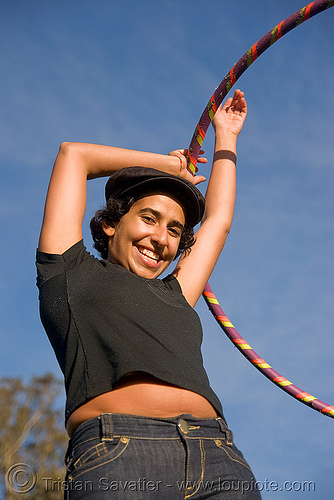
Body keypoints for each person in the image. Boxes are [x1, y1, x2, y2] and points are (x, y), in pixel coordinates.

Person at [36, 89, 261, 499]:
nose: (160, 238)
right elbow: (73, 155)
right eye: (148, 218)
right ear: (111, 224)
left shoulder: (177, 293)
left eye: (175, 230)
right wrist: (172, 167)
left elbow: (219, 221)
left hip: (218, 457)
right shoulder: (69, 274)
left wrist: (225, 137)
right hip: (118, 454)